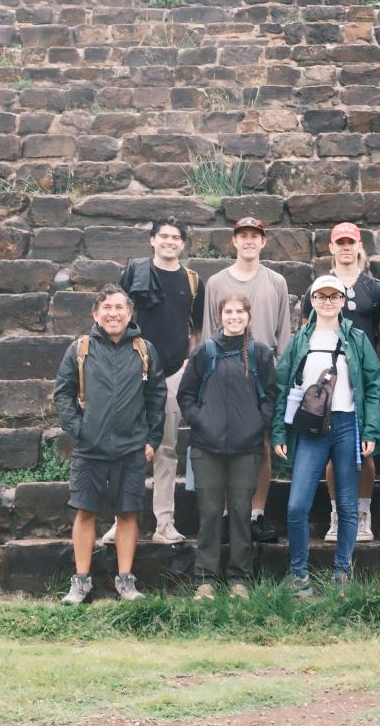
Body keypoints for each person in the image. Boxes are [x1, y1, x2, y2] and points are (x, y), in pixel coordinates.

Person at [272, 275, 380, 596]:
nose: (327, 302)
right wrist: (280, 431)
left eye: (333, 297)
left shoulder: (357, 338)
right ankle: (299, 576)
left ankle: (342, 574)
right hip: (311, 430)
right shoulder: (299, 341)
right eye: (321, 297)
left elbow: (374, 383)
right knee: (296, 506)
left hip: (347, 425)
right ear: (312, 301)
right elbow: (283, 387)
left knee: (348, 506)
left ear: (342, 301)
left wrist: (372, 429)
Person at [54, 284, 166, 604]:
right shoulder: (81, 348)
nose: (113, 313)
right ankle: (81, 582)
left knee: (128, 513)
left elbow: (157, 396)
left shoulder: (144, 349)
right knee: (85, 512)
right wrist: (80, 428)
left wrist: (152, 438)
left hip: (131, 447)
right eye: (107, 307)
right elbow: (63, 393)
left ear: (129, 313)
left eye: (119, 307)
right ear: (95, 313)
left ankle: (126, 582)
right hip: (90, 448)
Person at [177, 293, 277, 598]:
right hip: (207, 447)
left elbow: (271, 396)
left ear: (249, 315)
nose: (234, 317)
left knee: (240, 512)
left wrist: (257, 424)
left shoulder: (260, 353)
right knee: (208, 513)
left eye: (240, 311)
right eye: (228, 312)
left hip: (246, 449)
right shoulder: (205, 352)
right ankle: (205, 578)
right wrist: (201, 420)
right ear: (219, 317)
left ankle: (240, 578)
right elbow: (186, 395)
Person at [297, 222, 380, 542]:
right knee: (329, 452)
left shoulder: (375, 289)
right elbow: (304, 332)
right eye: (340, 242)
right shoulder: (320, 286)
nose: (346, 247)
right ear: (332, 247)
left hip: (360, 380)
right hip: (324, 383)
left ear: (359, 245)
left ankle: (362, 514)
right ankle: (338, 514)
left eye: (351, 242)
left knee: (364, 451)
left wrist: (369, 373)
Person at [114, 216, 203, 548]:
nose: (169, 241)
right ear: (152, 240)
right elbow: (117, 315)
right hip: (133, 373)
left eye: (176, 237)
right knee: (126, 448)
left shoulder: (192, 280)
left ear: (182, 243)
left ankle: (164, 522)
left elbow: (196, 328)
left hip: (173, 373)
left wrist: (186, 361)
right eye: (163, 236)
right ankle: (120, 522)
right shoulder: (135, 272)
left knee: (166, 449)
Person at [203, 216, 293, 545]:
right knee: (225, 444)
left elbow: (284, 332)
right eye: (243, 235)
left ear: (264, 241)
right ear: (234, 241)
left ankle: (256, 514)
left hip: (264, 368)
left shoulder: (276, 282)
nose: (249, 241)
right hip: (224, 369)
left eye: (255, 235)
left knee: (263, 444)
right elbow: (205, 333)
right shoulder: (215, 283)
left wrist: (283, 372)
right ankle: (230, 515)